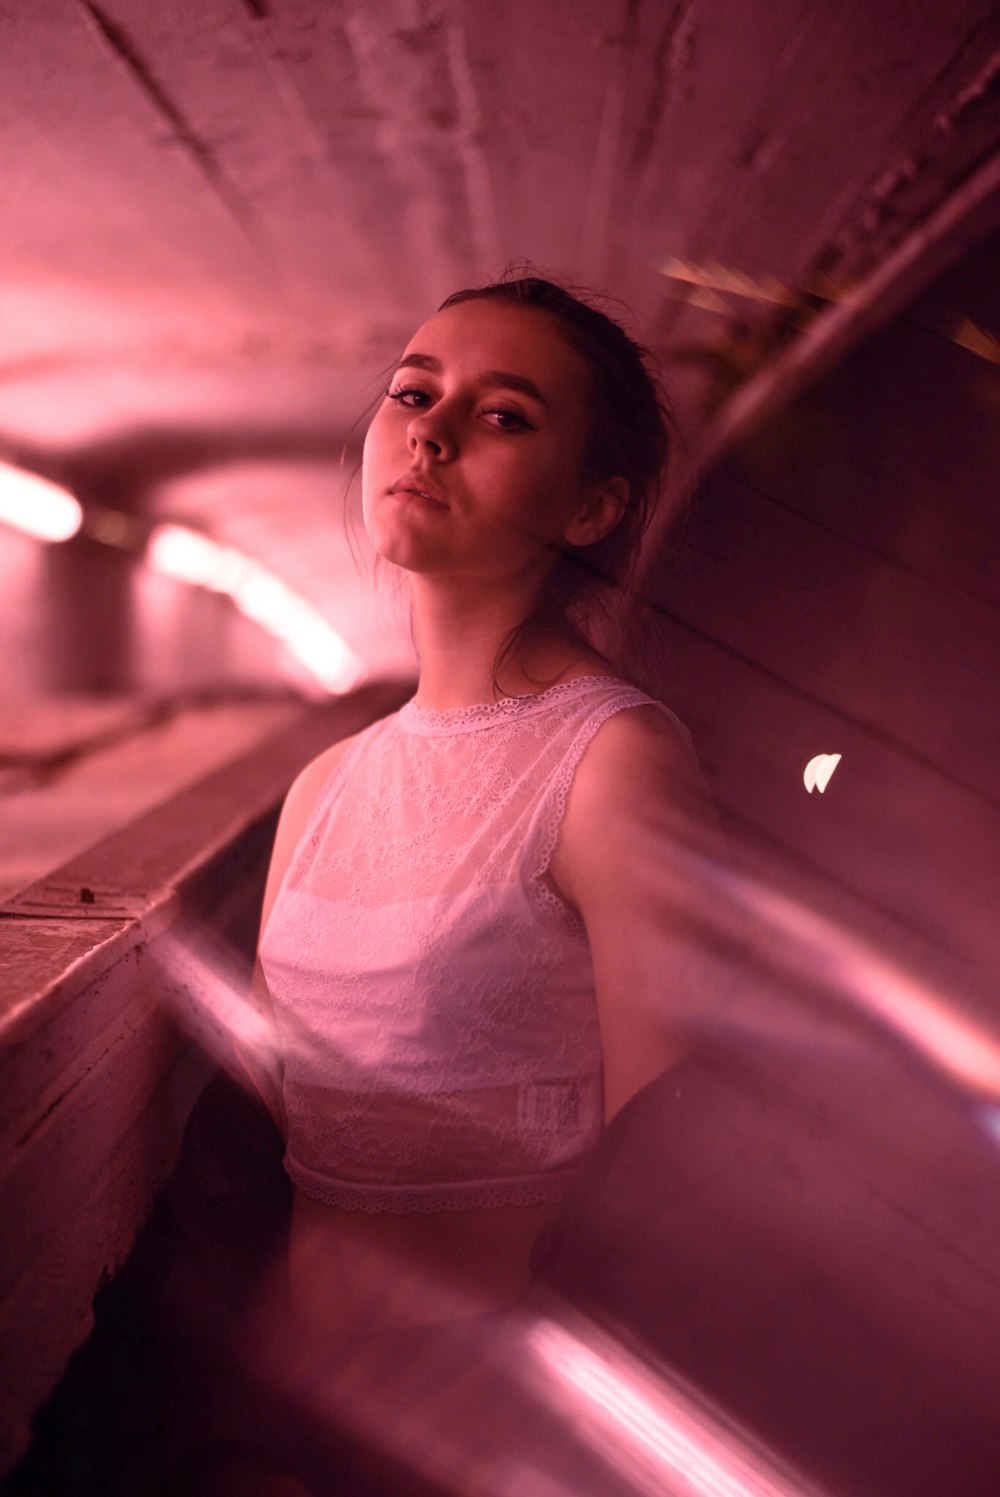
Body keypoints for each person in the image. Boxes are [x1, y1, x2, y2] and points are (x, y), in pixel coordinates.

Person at [226, 275, 717, 1490]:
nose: (429, 432)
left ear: (594, 505)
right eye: (412, 393)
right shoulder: (326, 788)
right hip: (287, 1415)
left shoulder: (608, 761)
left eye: (504, 417)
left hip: (484, 1434)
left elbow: (672, 1174)